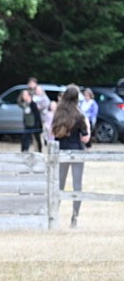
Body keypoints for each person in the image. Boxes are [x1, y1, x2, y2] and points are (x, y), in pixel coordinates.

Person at [51, 84, 90, 228]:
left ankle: (54, 214)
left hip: (61, 152)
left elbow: (53, 133)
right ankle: (74, 217)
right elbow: (85, 138)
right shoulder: (79, 115)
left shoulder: (58, 113)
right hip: (76, 152)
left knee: (59, 184)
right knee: (77, 185)